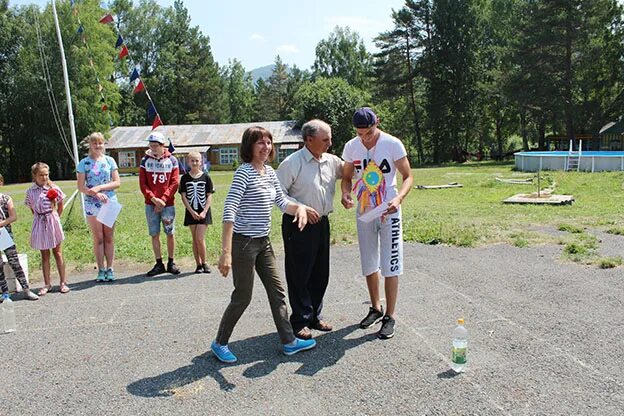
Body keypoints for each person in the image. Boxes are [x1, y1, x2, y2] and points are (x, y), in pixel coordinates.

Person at [211, 126, 316, 363]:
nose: (266, 147)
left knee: (277, 292)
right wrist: (225, 253)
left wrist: (298, 207)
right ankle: (219, 343)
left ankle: (289, 342)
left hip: (263, 243)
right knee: (243, 296)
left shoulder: (269, 172)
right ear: (249, 146)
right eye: (260, 142)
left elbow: (281, 201)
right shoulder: (243, 173)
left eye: (269, 142)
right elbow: (229, 211)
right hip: (243, 244)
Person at [341, 107, 413, 340]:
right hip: (364, 209)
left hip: (388, 208)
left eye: (369, 133)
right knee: (368, 261)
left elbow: (408, 176)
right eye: (360, 133)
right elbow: (346, 177)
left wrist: (399, 198)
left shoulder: (393, 144)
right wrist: (345, 194)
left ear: (377, 123)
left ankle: (390, 316)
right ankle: (375, 307)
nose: (365, 138)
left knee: (391, 261)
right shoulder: (352, 146)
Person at [277, 119, 342, 339]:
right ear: (309, 140)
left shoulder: (332, 161)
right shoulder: (292, 163)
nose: (330, 143)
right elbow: (278, 195)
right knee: (299, 274)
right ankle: (300, 321)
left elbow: (352, 171)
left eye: (330, 138)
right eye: (325, 139)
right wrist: (300, 208)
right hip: (299, 225)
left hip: (322, 224)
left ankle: (314, 315)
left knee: (320, 272)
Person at [76, 132, 121, 282]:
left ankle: (110, 268)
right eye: (95, 143)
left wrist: (100, 188)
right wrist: (94, 194)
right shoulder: (84, 163)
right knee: (99, 238)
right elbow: (81, 187)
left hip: (109, 202)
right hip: (92, 204)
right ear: (90, 145)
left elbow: (117, 183)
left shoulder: (109, 161)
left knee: (109, 237)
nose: (98, 146)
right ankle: (101, 269)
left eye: (100, 143)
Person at [139, 131, 181, 276]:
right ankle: (158, 263)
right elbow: (143, 184)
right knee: (154, 233)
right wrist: (153, 199)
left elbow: (175, 182)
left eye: (156, 145)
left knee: (170, 232)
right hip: (151, 204)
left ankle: (171, 261)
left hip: (167, 204)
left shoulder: (172, 161)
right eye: (151, 145)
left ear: (163, 145)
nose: (153, 148)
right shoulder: (145, 160)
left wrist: (163, 199)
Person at [25, 162, 69, 295]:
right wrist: (40, 217)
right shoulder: (30, 191)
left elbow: (60, 204)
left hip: (52, 220)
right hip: (40, 222)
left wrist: (55, 217)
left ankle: (63, 282)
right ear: (34, 176)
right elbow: (32, 208)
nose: (44, 177)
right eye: (41, 175)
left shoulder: (53, 188)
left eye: (46, 175)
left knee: (58, 252)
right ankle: (47, 283)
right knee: (44, 254)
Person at [0, 173, 39, 301]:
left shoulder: (6, 199)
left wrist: (2, 223)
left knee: (14, 262)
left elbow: (13, 217)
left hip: (5, 235)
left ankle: (26, 290)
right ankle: (5, 293)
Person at [179, 151, 214, 274]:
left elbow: (209, 196)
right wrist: (191, 211)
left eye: (197, 160)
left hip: (203, 211)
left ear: (201, 162)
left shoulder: (206, 177)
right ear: (188, 162)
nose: (194, 163)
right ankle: (198, 264)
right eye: (192, 160)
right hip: (191, 211)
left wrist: (204, 211)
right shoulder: (184, 178)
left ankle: (204, 263)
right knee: (194, 239)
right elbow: (183, 196)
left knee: (200, 238)